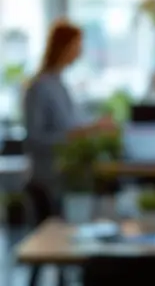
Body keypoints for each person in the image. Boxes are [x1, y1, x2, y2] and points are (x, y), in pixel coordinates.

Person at [22, 19, 116, 286]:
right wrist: (84, 132)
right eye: (77, 45)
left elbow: (70, 127)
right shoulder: (39, 86)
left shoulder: (60, 84)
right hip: (49, 181)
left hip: (67, 178)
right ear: (63, 47)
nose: (80, 51)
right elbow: (36, 139)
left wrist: (92, 129)